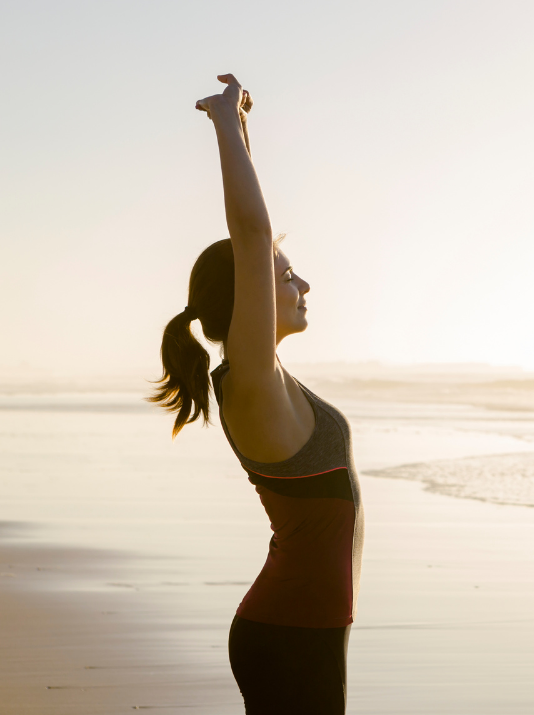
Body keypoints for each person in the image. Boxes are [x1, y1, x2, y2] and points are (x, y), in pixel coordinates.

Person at [149, 74, 364, 715]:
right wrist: (224, 128)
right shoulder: (250, 381)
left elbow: (254, 240)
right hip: (290, 632)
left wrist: (242, 130)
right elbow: (249, 231)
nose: (303, 284)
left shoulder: (266, 376)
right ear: (250, 298)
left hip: (310, 629)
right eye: (285, 275)